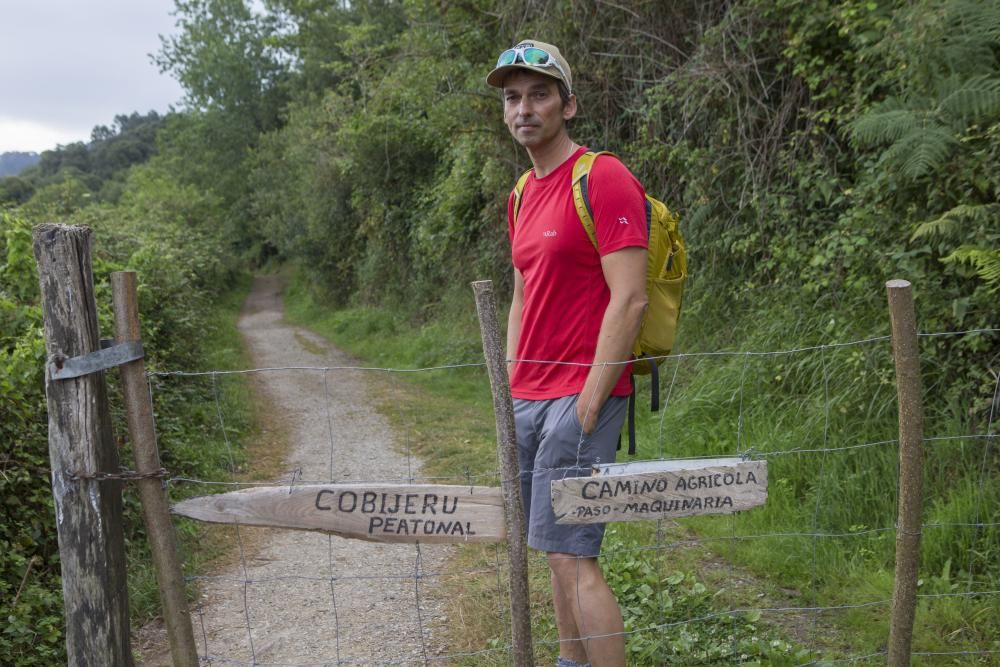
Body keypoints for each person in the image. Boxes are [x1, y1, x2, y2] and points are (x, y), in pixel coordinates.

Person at [487, 39, 649, 667]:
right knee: (553, 551)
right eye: (512, 97)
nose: (524, 108)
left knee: (575, 555)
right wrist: (509, 384)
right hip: (527, 396)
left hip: (579, 396)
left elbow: (630, 299)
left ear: (568, 105)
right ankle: (569, 662)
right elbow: (521, 295)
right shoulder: (523, 192)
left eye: (539, 94)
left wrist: (587, 403)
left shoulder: (602, 177)